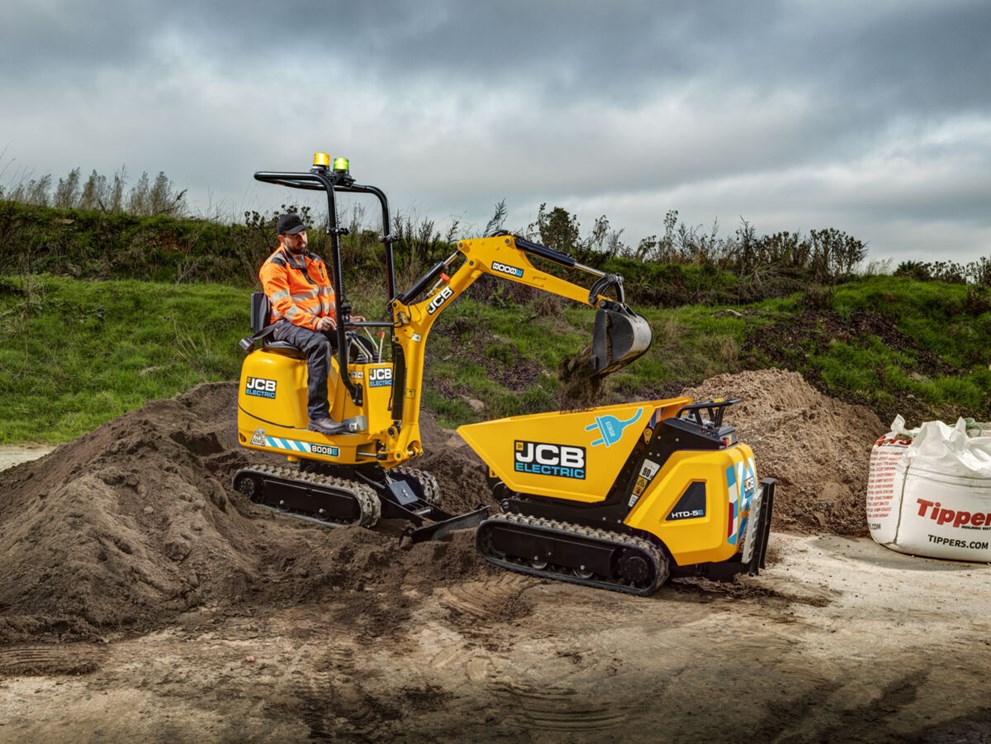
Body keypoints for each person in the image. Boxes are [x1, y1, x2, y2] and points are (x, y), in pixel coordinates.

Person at [259, 213, 363, 435]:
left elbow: (328, 296)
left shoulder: (315, 261)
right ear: (281, 238)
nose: (301, 239)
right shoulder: (274, 267)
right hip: (283, 324)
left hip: (313, 321)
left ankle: (356, 407)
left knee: (358, 343)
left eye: (303, 233)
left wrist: (342, 322)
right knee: (319, 345)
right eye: (295, 236)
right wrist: (315, 323)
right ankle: (317, 416)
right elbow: (285, 306)